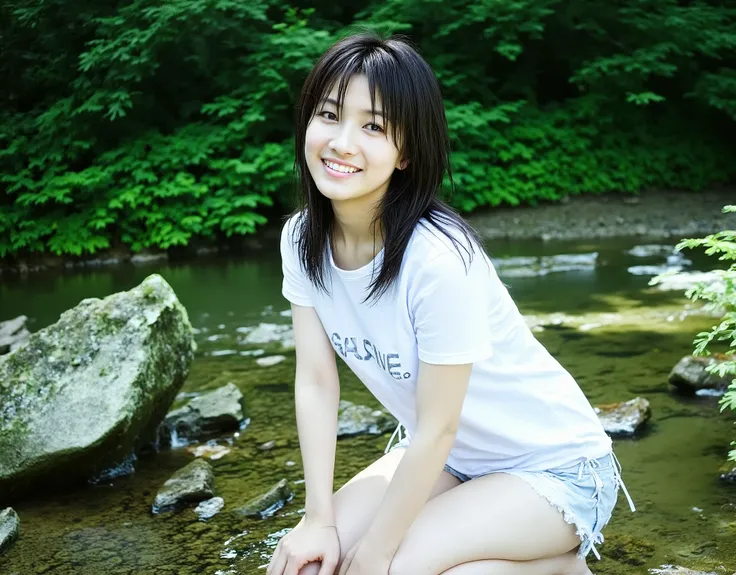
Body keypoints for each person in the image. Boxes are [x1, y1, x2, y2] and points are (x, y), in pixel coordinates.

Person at [267, 31, 635, 575]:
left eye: (372, 126)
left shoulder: (436, 259)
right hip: (453, 460)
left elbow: (437, 427)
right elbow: (318, 383)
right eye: (328, 115)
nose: (342, 142)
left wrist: (379, 553)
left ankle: (557, 567)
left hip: (553, 469)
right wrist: (316, 518)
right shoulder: (301, 239)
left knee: (389, 570)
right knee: (308, 564)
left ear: (407, 152)